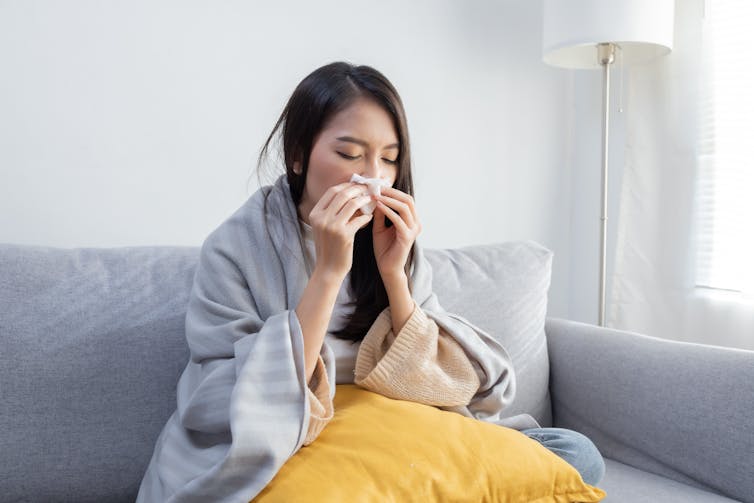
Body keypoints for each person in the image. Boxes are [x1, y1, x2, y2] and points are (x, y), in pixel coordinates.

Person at [136, 61, 605, 503]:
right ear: (298, 155)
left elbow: (440, 385)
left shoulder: (390, 240)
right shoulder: (235, 246)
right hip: (300, 437)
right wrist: (328, 271)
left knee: (573, 453)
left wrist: (394, 277)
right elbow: (221, 399)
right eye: (349, 154)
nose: (374, 179)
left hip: (395, 428)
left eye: (389, 158)